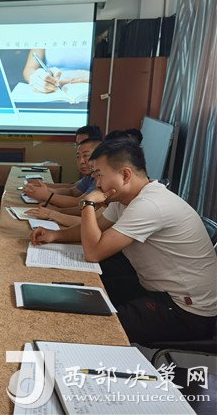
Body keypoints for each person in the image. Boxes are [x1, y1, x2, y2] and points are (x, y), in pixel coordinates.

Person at [31, 139, 217, 343]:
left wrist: (88, 203)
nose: (97, 184)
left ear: (126, 175)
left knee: (90, 328)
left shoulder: (149, 204)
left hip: (186, 311)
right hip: (156, 288)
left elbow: (93, 253)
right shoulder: (125, 198)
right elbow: (97, 226)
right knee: (85, 292)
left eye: (99, 175)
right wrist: (55, 235)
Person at [24, 138, 101, 208]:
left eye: (86, 156)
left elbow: (78, 203)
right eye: (78, 157)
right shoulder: (90, 176)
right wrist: (44, 189)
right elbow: (72, 191)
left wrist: (47, 195)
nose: (81, 161)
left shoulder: (99, 179)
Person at [23, 48, 91, 93]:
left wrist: (90, 78)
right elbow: (29, 68)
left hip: (89, 88)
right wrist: (36, 78)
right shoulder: (42, 32)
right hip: (54, 89)